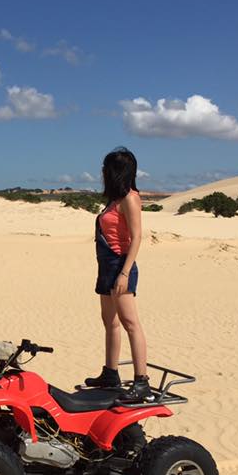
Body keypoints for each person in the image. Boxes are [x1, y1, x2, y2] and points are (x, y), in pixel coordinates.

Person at [85, 147, 151, 400]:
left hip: (120, 265)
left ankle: (141, 381)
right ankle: (110, 373)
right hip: (106, 266)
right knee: (110, 322)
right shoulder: (114, 200)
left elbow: (137, 238)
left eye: (105, 169)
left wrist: (124, 274)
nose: (102, 174)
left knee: (130, 323)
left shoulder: (130, 199)